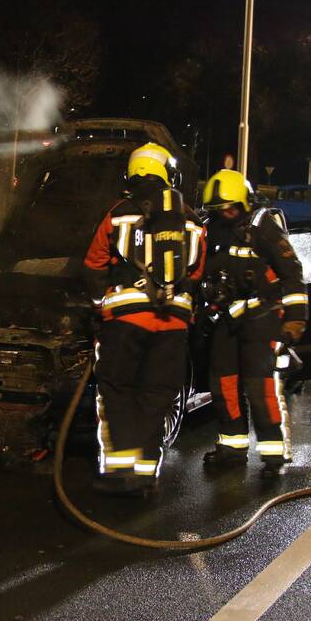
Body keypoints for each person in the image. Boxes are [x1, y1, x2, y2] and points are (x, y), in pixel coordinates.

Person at [83, 142, 207, 496]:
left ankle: (116, 473)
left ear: (132, 174)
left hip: (124, 321)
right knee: (156, 397)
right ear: (168, 175)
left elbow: (93, 264)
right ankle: (144, 478)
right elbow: (197, 272)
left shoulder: (118, 213)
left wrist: (98, 306)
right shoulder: (192, 219)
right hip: (172, 325)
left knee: (117, 390)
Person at [198, 169, 308, 471]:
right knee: (223, 386)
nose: (226, 213)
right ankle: (232, 449)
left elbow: (292, 273)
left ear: (246, 202)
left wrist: (295, 318)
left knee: (260, 388)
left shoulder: (264, 226)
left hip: (262, 317)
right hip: (226, 318)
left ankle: (274, 454)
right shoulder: (210, 229)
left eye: (231, 207)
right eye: (219, 209)